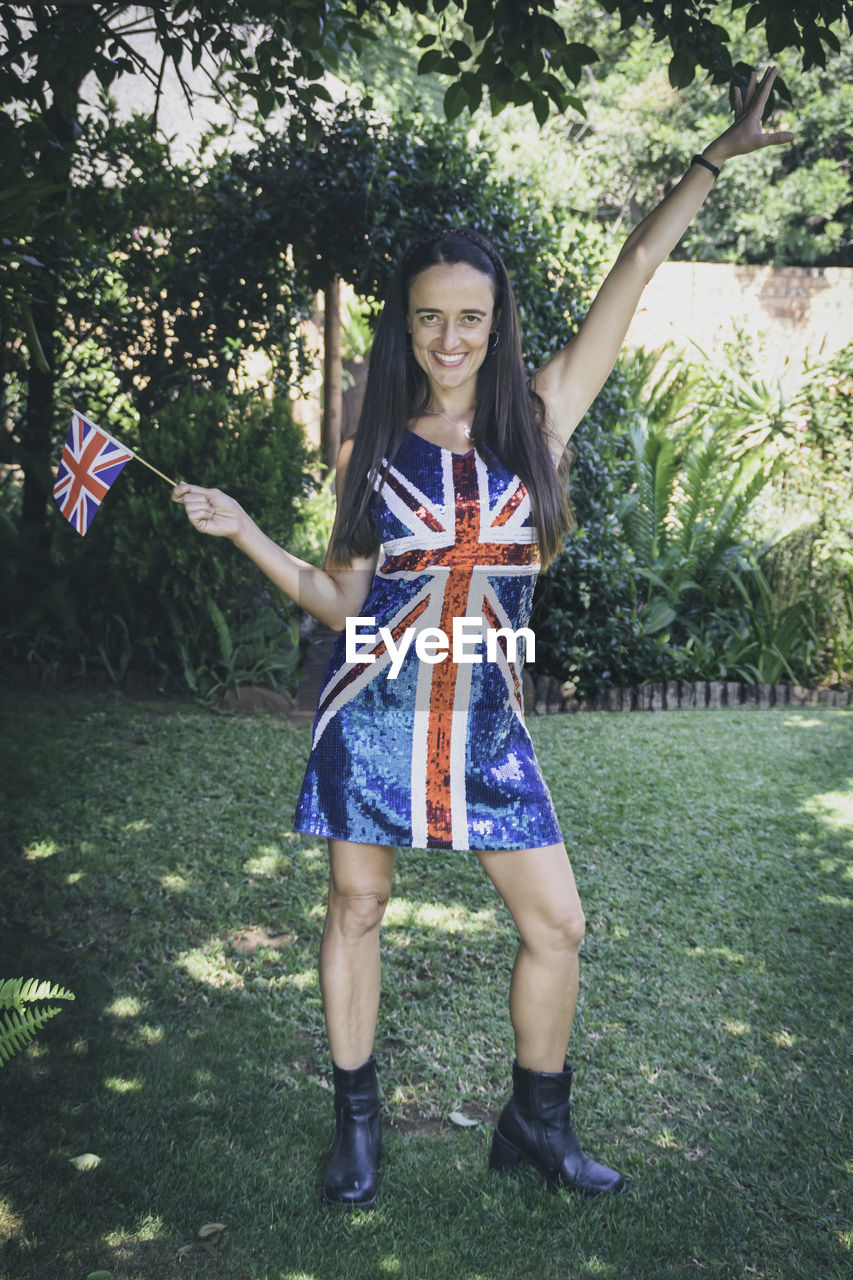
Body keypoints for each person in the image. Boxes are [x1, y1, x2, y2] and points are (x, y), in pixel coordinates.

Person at [173, 67, 793, 1208]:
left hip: (486, 717)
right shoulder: (377, 445)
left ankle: (533, 1123)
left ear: (494, 321)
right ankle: (356, 1121)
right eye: (428, 316)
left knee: (557, 921)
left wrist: (711, 156)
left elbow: (636, 269)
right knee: (356, 906)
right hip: (377, 708)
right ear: (404, 325)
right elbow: (343, 598)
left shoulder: (542, 417)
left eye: (469, 315)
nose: (449, 336)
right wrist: (248, 531)